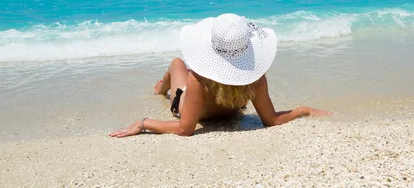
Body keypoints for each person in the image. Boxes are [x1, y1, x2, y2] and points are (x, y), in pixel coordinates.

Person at [110, 13, 331, 137]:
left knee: (178, 63)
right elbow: (272, 120)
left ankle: (161, 89)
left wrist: (143, 123)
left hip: (187, 105)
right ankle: (161, 88)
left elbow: (185, 128)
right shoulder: (255, 77)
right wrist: (302, 109)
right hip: (228, 108)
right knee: (183, 69)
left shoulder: (198, 79)